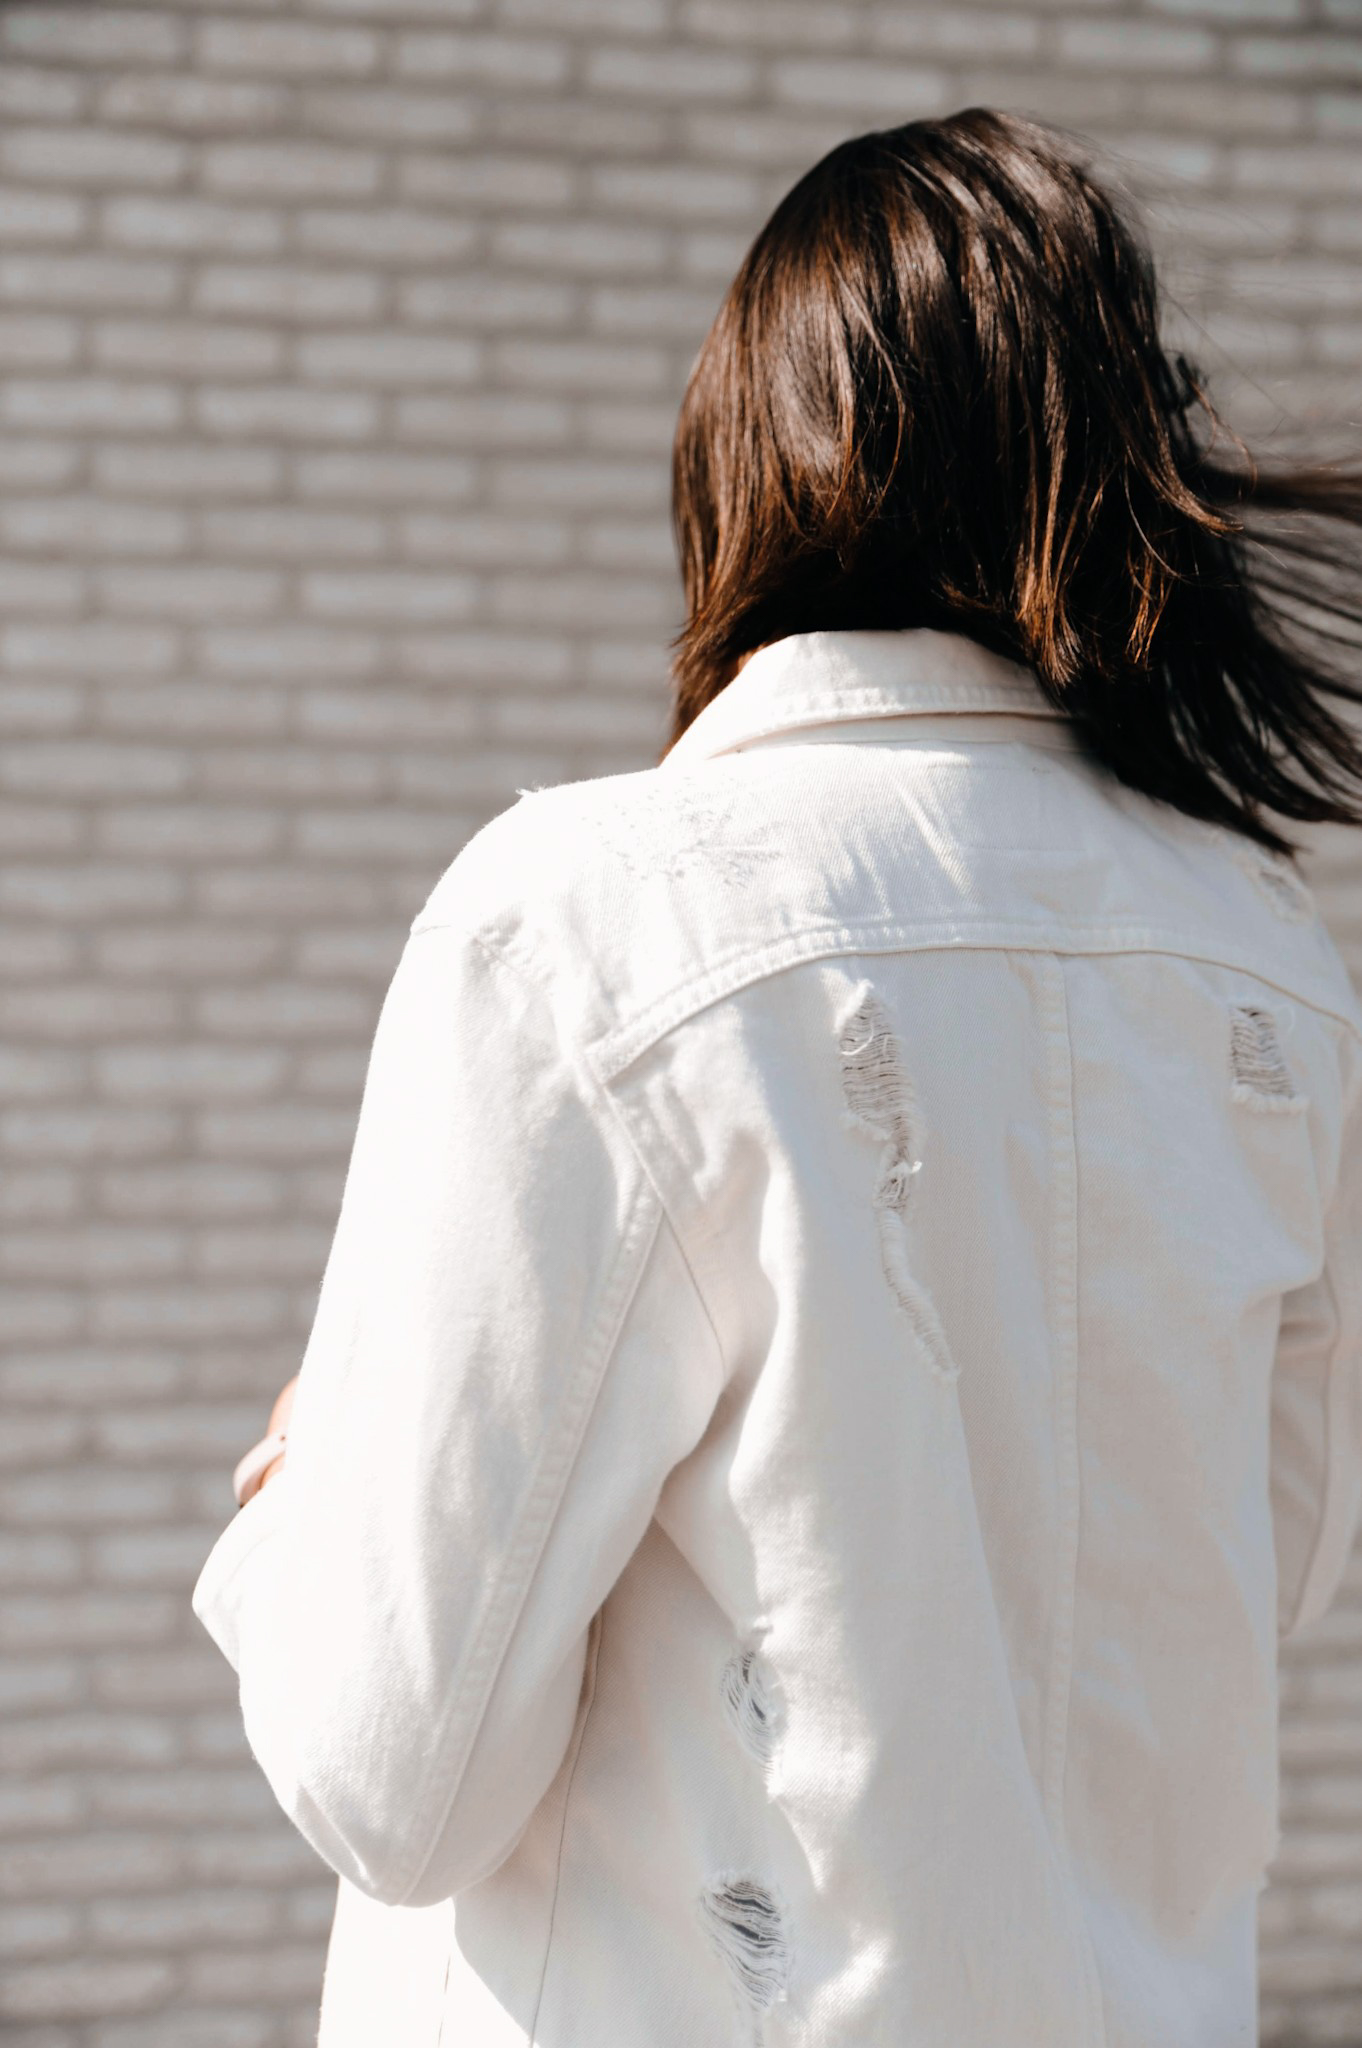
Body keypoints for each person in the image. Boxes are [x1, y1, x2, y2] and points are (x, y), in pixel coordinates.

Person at [192, 108, 1362, 2047]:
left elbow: (389, 1778)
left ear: (750, 455)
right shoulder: (1260, 953)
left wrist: (318, 1479)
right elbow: (1257, 1577)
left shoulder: (582, 924)